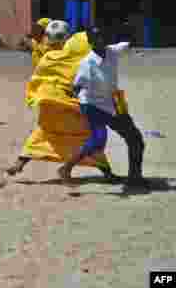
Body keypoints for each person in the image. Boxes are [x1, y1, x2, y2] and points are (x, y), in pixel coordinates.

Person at [4, 21, 117, 182]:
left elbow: (38, 78)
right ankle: (107, 173)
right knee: (88, 136)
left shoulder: (48, 56)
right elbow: (91, 41)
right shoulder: (77, 45)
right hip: (74, 103)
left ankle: (19, 164)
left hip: (56, 103)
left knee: (44, 132)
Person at [58, 27, 148, 190]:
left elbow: (126, 45)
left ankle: (135, 177)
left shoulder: (112, 51)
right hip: (92, 105)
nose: (101, 41)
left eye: (103, 37)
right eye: (97, 38)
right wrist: (72, 93)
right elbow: (77, 85)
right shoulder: (87, 63)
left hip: (112, 103)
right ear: (91, 43)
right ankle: (66, 168)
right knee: (98, 140)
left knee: (135, 139)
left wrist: (134, 36)